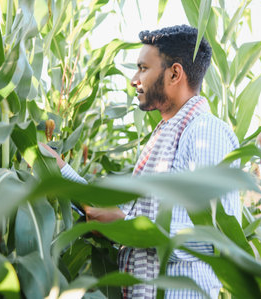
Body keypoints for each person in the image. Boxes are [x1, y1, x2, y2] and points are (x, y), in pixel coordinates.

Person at [42, 24, 241, 299]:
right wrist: (58, 168)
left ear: (174, 73)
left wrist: (126, 224)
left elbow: (211, 239)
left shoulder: (204, 132)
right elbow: (125, 215)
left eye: (143, 68)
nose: (134, 79)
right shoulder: (165, 133)